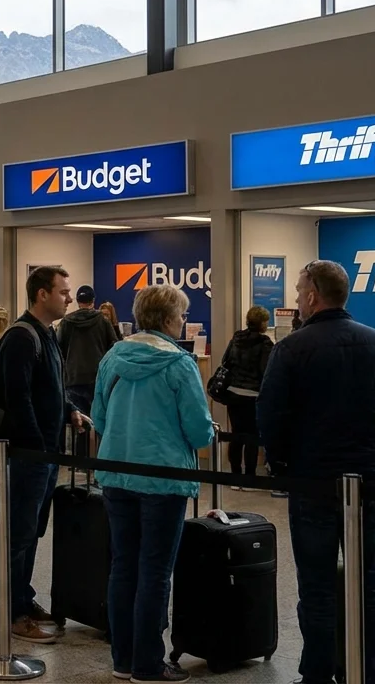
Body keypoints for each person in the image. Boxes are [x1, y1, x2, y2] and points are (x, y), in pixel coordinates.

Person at [258, 260, 375, 684]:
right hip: (371, 481)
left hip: (313, 481)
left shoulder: (291, 349)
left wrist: (283, 464)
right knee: (367, 582)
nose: (294, 299)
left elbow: (271, 416)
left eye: (297, 291)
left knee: (317, 584)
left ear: (312, 296)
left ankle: (317, 674)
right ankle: (364, 672)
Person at [92, 284, 214, 683]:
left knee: (122, 566)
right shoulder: (180, 364)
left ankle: (122, 659)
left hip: (116, 474)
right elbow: (198, 431)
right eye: (180, 316)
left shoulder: (112, 358)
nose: (182, 322)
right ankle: (148, 664)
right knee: (156, 571)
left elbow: (100, 418)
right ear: (166, 320)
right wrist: (208, 433)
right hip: (164, 479)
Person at [0, 265, 88, 644]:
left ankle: (23, 596)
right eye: (63, 291)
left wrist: (69, 410)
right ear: (41, 295)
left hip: (45, 453)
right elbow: (15, 398)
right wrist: (36, 445)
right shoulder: (20, 337)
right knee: (19, 533)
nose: (69, 297)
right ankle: (13, 611)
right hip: (28, 455)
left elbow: (50, 386)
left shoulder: (47, 334)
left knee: (32, 531)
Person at [219, 306, 275, 484]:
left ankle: (235, 476)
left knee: (236, 434)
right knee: (252, 436)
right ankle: (250, 477)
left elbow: (225, 361)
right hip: (253, 395)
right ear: (262, 323)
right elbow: (266, 370)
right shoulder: (265, 343)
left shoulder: (236, 338)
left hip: (233, 394)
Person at [58, 285, 121, 418]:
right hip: (98, 380)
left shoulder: (66, 322)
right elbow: (114, 348)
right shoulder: (103, 320)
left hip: (73, 379)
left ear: (78, 301)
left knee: (78, 423)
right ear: (93, 300)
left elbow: (58, 351)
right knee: (98, 422)